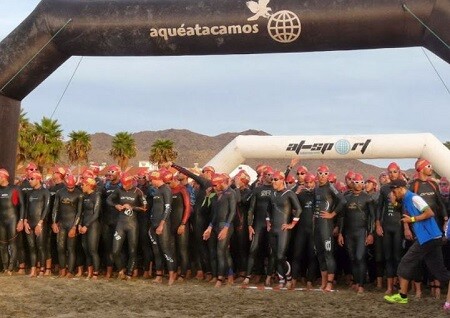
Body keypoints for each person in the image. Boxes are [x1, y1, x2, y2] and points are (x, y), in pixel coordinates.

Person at [384, 179, 450, 312]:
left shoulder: (414, 198)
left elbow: (429, 213)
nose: (393, 193)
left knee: (405, 263)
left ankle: (402, 295)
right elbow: (403, 210)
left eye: (394, 191)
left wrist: (412, 220)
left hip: (428, 238)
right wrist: (395, 203)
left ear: (401, 188)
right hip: (430, 238)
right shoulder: (407, 199)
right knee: (439, 272)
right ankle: (402, 295)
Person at [337, 173, 375, 293]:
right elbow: (342, 216)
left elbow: (372, 217)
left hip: (362, 231)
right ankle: (356, 282)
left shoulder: (367, 198)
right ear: (352, 183)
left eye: (360, 182)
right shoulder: (347, 198)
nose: (358, 185)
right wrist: (340, 233)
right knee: (352, 258)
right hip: (349, 232)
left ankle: (361, 284)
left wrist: (371, 233)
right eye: (356, 182)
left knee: (360, 257)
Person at [107, 173, 147, 280]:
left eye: (126, 184)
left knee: (132, 250)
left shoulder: (138, 191)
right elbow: (108, 200)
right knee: (115, 250)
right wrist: (116, 205)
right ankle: (121, 270)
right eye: (123, 184)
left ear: (130, 182)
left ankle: (129, 273)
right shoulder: (119, 190)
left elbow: (144, 208)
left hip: (132, 225)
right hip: (120, 223)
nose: (124, 186)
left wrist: (132, 207)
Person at [266, 171, 301, 288]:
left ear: (282, 180)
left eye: (276, 179)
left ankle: (289, 278)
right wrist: (268, 222)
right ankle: (281, 279)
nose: (273, 182)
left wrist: (291, 224)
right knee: (276, 256)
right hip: (273, 229)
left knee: (281, 256)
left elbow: (299, 209)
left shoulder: (289, 193)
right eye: (272, 180)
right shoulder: (272, 194)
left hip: (283, 230)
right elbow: (268, 210)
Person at [313, 165, 346, 292]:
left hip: (326, 225)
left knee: (328, 254)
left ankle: (330, 283)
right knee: (320, 254)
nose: (322, 176)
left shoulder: (330, 187)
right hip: (317, 225)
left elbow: (342, 201)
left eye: (324, 174)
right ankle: (323, 282)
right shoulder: (316, 189)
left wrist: (332, 214)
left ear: (328, 175)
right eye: (320, 173)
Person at [203, 173, 236, 287]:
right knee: (225, 253)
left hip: (225, 225)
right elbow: (216, 213)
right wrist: (210, 227)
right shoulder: (218, 195)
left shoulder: (231, 193)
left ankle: (220, 278)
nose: (215, 187)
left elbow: (232, 212)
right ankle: (230, 276)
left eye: (216, 185)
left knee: (220, 251)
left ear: (222, 183)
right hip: (217, 225)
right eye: (214, 185)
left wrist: (226, 227)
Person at [376, 162, 404, 295]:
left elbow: (406, 209)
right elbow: (379, 207)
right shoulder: (384, 188)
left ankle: (400, 286)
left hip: (399, 226)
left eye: (394, 171)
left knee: (398, 256)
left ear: (399, 172)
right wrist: (378, 224)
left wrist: (395, 203)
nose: (392, 174)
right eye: (390, 172)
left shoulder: (404, 187)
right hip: (387, 226)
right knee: (388, 257)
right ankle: (389, 287)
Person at [51, 175, 83, 278]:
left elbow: (79, 212)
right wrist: (54, 222)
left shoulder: (79, 194)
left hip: (72, 223)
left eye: (72, 187)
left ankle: (70, 271)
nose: (70, 189)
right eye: (68, 187)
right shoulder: (60, 192)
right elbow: (55, 208)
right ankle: (63, 269)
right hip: (62, 223)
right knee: (60, 248)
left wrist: (74, 227)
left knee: (71, 248)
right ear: (65, 184)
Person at [148, 170, 176, 285]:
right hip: (154, 223)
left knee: (165, 250)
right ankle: (159, 275)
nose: (151, 182)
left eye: (152, 180)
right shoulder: (157, 191)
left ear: (157, 179)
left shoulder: (166, 189)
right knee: (156, 251)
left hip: (162, 224)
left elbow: (168, 208)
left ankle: (171, 275)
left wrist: (161, 224)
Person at [23, 171, 50, 277]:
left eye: (32, 179)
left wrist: (40, 223)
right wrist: (25, 221)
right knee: (32, 247)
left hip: (40, 223)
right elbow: (26, 208)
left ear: (38, 179)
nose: (29, 181)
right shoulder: (29, 193)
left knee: (41, 247)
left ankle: (42, 270)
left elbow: (46, 209)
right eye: (29, 179)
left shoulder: (45, 192)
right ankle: (33, 270)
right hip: (30, 223)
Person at [0, 168, 24, 274]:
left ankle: (11, 267)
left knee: (13, 244)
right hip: (1, 220)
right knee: (2, 244)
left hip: (12, 219)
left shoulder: (15, 189)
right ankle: (5, 267)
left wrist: (21, 220)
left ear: (4, 177)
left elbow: (22, 205)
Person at [79, 177, 101, 280]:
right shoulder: (84, 196)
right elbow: (82, 213)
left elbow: (96, 214)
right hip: (84, 225)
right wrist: (80, 224)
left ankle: (96, 273)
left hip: (93, 226)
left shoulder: (96, 196)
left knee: (93, 250)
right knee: (86, 250)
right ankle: (89, 272)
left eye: (83, 185)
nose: (81, 187)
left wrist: (86, 225)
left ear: (89, 185)